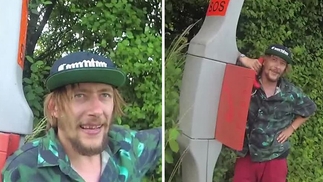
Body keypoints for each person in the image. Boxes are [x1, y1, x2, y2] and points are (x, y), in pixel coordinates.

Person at [1, 52, 162, 182]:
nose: (97, 110)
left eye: (105, 95)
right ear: (54, 108)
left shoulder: (129, 147)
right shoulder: (24, 170)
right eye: (80, 96)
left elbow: (174, 134)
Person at [233, 44, 317, 182]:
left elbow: (310, 108)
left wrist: (291, 129)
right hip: (247, 155)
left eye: (282, 63)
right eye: (274, 59)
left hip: (275, 158)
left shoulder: (290, 93)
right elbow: (225, 56)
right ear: (264, 60)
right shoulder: (248, 80)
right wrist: (244, 59)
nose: (277, 66)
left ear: (285, 69)